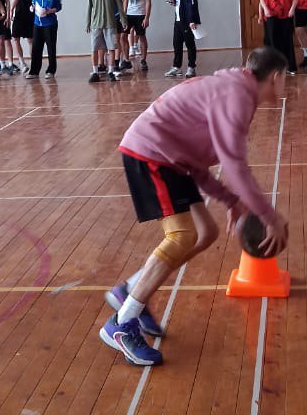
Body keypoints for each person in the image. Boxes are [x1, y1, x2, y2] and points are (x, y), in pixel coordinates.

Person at [100, 47, 290, 366]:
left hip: (173, 159)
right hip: (150, 152)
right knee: (181, 236)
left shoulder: (236, 91)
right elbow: (234, 165)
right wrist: (268, 215)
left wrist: (230, 200)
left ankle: (130, 290)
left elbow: (199, 162)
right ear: (276, 76)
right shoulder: (237, 96)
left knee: (206, 233)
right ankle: (122, 322)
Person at [87, 0, 126, 83]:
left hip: (110, 23)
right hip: (96, 24)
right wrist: (88, 23)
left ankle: (110, 71)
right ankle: (95, 72)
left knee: (111, 48)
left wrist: (123, 19)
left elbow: (119, 4)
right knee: (94, 48)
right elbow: (89, 7)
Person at [260, 0, 298, 74]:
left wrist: (292, 9)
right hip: (271, 15)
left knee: (287, 40)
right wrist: (266, 9)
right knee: (272, 41)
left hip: (286, 14)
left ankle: (290, 67)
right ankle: (274, 69)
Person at [165, 0, 200, 80]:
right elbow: (182, 0)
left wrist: (192, 20)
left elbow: (191, 2)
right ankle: (176, 67)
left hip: (187, 20)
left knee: (189, 43)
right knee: (177, 44)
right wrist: (175, 2)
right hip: (178, 20)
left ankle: (191, 67)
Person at [28, 0, 62, 79]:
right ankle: (34, 71)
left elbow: (58, 7)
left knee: (51, 47)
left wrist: (50, 11)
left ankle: (51, 71)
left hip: (50, 24)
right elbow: (33, 4)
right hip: (37, 24)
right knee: (36, 48)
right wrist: (32, 8)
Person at [126, 0, 153, 71]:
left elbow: (148, 2)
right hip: (128, 14)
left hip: (140, 14)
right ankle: (125, 60)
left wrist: (146, 17)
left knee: (142, 36)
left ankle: (143, 60)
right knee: (123, 36)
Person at [10, 0, 35, 72]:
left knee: (15, 38)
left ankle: (22, 63)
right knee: (30, 40)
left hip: (20, 14)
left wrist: (11, 9)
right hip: (30, 14)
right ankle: (34, 64)